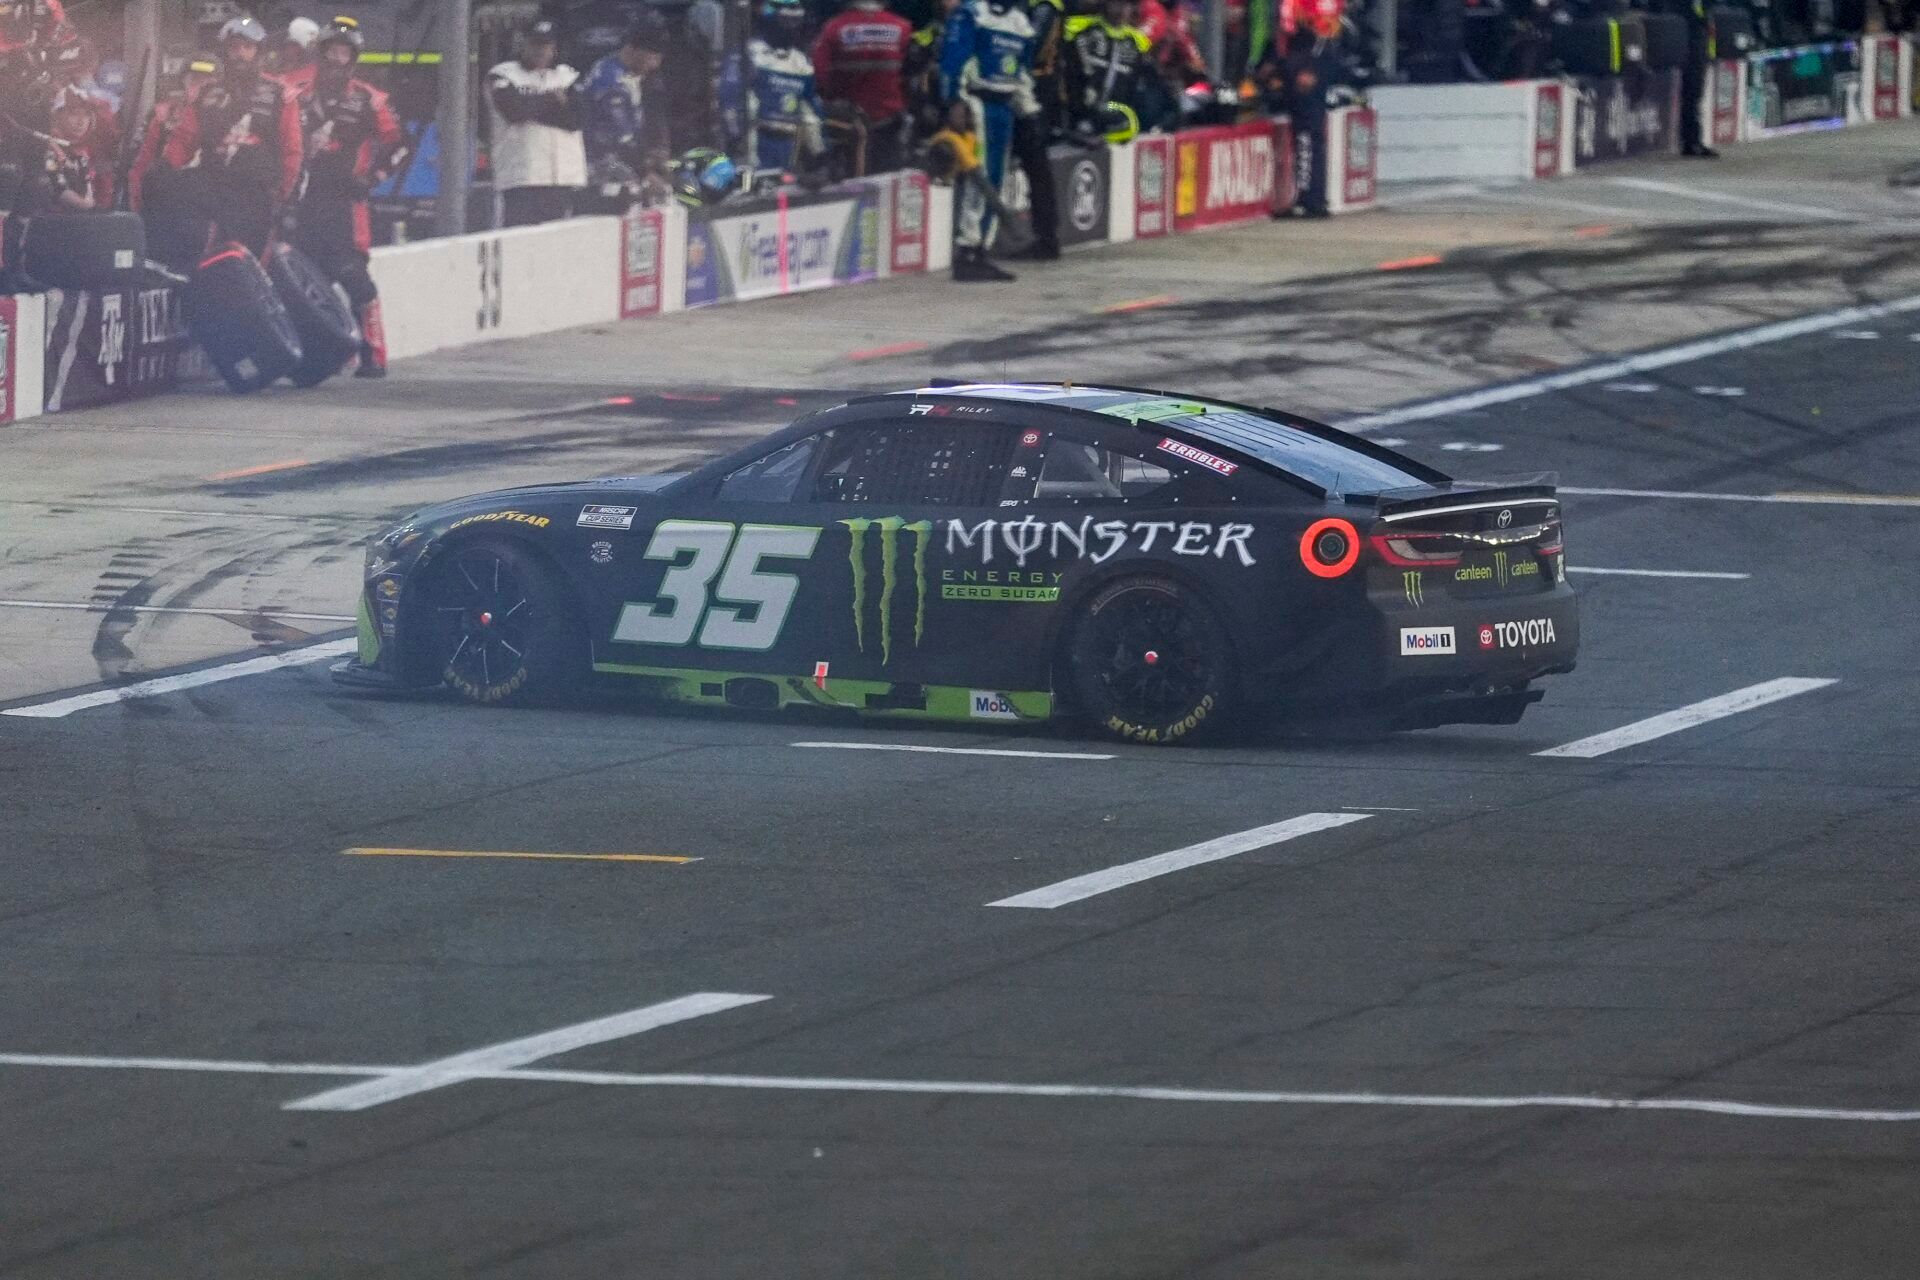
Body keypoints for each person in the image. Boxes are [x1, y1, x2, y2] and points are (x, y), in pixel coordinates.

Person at [285, 16, 408, 377]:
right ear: (320, 53)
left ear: (353, 58)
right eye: (331, 51)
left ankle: (373, 352)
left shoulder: (371, 99)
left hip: (346, 202)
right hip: (299, 198)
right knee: (300, 277)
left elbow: (400, 144)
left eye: (345, 53)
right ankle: (311, 352)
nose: (337, 59)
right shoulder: (292, 88)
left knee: (353, 275)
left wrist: (374, 177)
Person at [161, 15, 305, 255]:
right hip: (214, 192)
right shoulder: (206, 92)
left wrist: (281, 195)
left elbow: (293, 149)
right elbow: (183, 140)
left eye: (247, 47)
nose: (240, 54)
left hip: (257, 196)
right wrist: (166, 173)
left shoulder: (281, 94)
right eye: (234, 47)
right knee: (208, 259)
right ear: (224, 51)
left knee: (252, 264)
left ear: (259, 51)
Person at [939, 0, 1039, 281]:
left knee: (996, 179)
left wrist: (1029, 111)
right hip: (977, 105)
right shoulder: (971, 14)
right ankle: (967, 250)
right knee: (978, 178)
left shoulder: (1021, 23)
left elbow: (1023, 72)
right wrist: (954, 101)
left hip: (1005, 108)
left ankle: (982, 248)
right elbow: (953, 59)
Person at [485, 19, 587, 226]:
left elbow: (576, 119)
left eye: (545, 45)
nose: (539, 50)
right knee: (517, 239)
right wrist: (554, 99)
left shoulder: (567, 75)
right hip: (522, 176)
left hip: (563, 177)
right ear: (524, 44)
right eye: (535, 44)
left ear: (554, 48)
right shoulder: (503, 75)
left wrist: (533, 105)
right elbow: (515, 112)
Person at [720, 0, 825, 174]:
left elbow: (811, 111)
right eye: (785, 22)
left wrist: (820, 154)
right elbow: (730, 101)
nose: (791, 29)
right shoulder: (747, 55)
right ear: (771, 20)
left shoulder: (801, 62)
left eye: (795, 22)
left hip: (789, 145)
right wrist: (737, 140)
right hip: (755, 144)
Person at [811, 0, 914, 174]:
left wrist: (830, 101)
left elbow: (819, 73)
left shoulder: (834, 28)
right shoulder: (903, 27)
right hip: (890, 122)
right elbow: (911, 72)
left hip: (847, 126)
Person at [128, 55, 216, 212]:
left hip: (208, 207)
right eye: (195, 81)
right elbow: (141, 163)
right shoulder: (164, 116)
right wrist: (137, 205)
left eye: (207, 84)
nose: (200, 89)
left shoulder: (228, 121)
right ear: (184, 83)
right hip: (168, 204)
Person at [581, 19, 667, 169]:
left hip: (627, 157)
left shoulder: (634, 75)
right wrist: (647, 168)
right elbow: (622, 135)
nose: (655, 65)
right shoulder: (610, 78)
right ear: (632, 49)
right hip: (604, 161)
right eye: (652, 57)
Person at [1062, 0, 1151, 140]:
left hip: (1115, 111)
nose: (1121, 10)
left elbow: (1135, 85)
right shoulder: (1080, 28)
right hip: (1078, 111)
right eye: (1116, 3)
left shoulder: (1138, 42)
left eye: (1126, 5)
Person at [28, 88, 106, 213]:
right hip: (51, 222)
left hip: (77, 220)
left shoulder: (83, 151)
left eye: (86, 114)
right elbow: (57, 187)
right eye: (74, 114)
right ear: (57, 116)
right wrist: (86, 206)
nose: (81, 121)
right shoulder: (49, 149)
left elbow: (87, 188)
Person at [1667, 0, 1718, 157]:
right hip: (1688, 43)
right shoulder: (1688, 8)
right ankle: (1690, 142)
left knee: (1695, 95)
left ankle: (1693, 140)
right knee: (1691, 94)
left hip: (1697, 43)